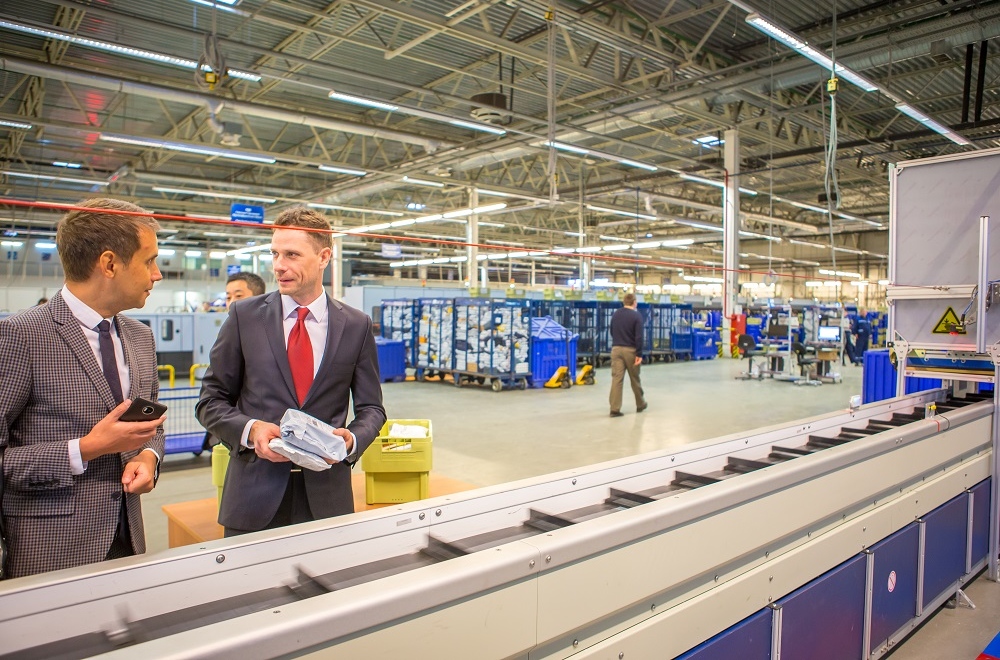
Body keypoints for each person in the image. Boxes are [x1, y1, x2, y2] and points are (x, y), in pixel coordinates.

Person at [0, 198, 166, 579]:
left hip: (128, 542)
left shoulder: (140, 338)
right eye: (149, 261)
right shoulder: (21, 337)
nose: (157, 275)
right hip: (51, 554)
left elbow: (151, 424)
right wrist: (86, 449)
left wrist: (148, 459)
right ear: (109, 264)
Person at [196, 206, 386, 536]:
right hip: (254, 497)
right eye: (275, 254)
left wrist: (353, 438)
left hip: (327, 498)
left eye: (292, 255)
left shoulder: (355, 325)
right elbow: (210, 401)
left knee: (330, 587)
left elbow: (372, 408)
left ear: (324, 256)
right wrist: (251, 430)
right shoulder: (245, 317)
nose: (279, 266)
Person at [609, 293, 647, 417]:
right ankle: (640, 404)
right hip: (630, 350)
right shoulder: (637, 316)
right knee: (634, 378)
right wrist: (639, 354)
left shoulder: (616, 314)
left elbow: (611, 331)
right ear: (634, 302)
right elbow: (639, 337)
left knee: (617, 379)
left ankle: (614, 408)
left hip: (616, 349)